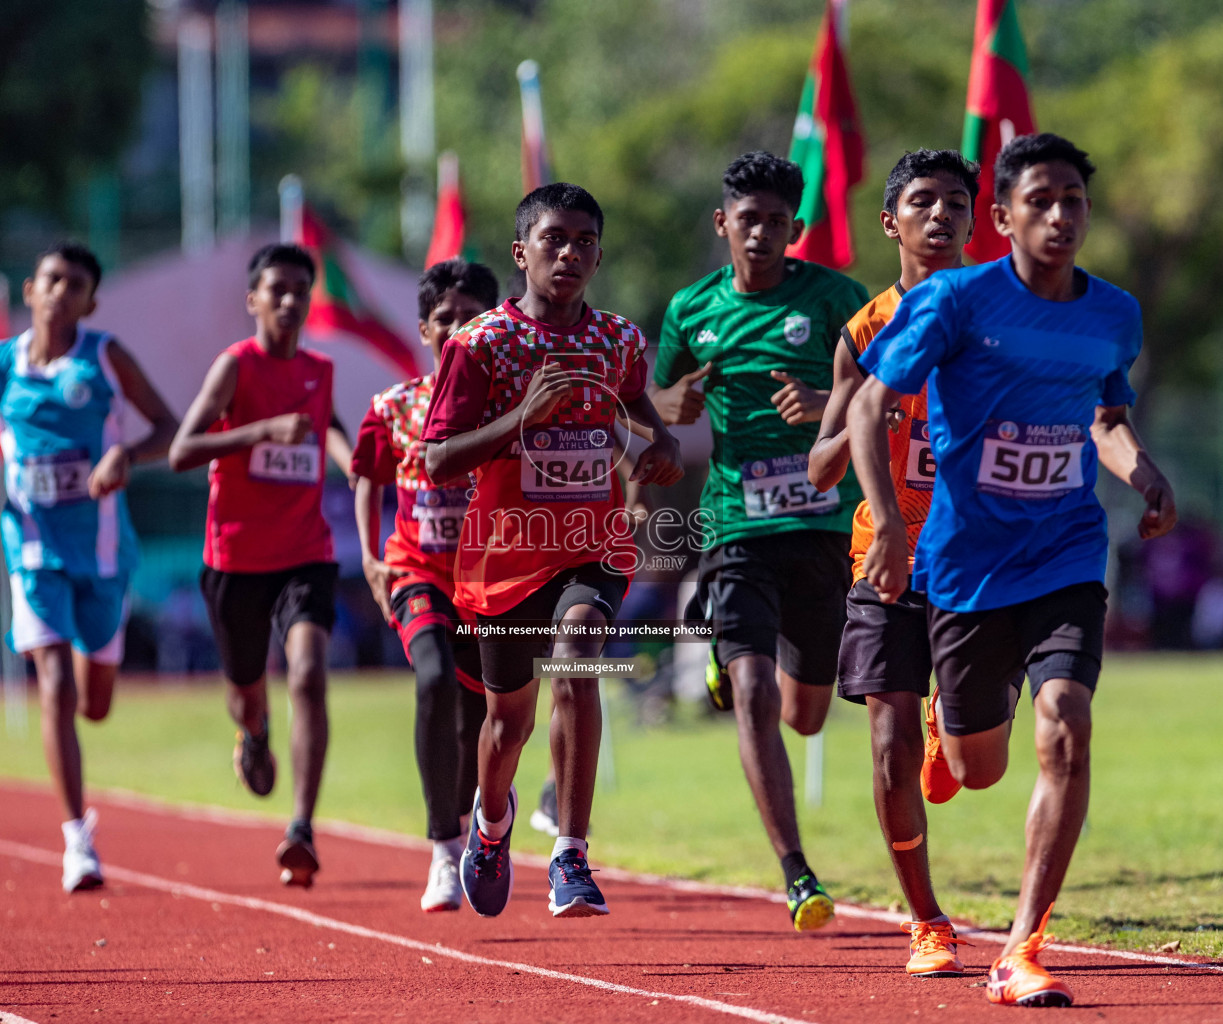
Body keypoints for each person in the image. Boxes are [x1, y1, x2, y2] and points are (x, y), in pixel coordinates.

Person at [846, 133, 1177, 1008]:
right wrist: (885, 523)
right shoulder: (956, 300)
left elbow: (1106, 413)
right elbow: (872, 403)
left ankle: (1021, 944)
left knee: (1065, 724)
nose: (1061, 215)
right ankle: (949, 742)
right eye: (1041, 201)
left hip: (1067, 549)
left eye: (1074, 199)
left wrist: (1142, 469)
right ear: (1002, 217)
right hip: (964, 566)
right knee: (980, 765)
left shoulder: (1113, 313)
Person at [422, 182, 683, 918]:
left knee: (577, 658)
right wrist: (520, 417)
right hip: (506, 554)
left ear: (599, 255)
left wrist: (655, 444)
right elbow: (439, 460)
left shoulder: (619, 340)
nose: (569, 253)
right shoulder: (480, 346)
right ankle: (492, 823)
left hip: (588, 544)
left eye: (584, 241)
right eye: (553, 240)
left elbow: (634, 407)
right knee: (509, 723)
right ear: (521, 252)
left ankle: (571, 854)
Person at [651, 151, 868, 931]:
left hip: (820, 523)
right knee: (753, 691)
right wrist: (670, 407)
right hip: (735, 526)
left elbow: (888, 386)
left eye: (778, 221)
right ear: (724, 224)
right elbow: (656, 396)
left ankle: (733, 658)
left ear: (796, 227)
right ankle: (798, 873)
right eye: (750, 220)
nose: (763, 233)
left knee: (806, 715)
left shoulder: (838, 297)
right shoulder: (691, 309)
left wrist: (828, 401)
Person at [809, 149, 978, 975]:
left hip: (980, 559)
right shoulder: (865, 332)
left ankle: (958, 718)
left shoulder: (997, 314)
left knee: (978, 766)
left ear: (975, 221)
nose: (941, 215)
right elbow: (820, 468)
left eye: (956, 202)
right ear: (892, 222)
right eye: (923, 202)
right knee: (886, 745)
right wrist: (867, 409)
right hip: (883, 556)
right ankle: (927, 921)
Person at [0, 242, 178, 893]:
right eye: (52, 279)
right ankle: (77, 841)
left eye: (75, 283)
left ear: (91, 300)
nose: (61, 291)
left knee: (95, 702)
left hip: (104, 555)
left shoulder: (105, 358)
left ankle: (91, 692)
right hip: (31, 550)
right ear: (31, 289)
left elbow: (169, 427)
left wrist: (126, 458)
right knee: (53, 682)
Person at [169, 243, 342, 889]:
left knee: (308, 673)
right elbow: (183, 449)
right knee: (246, 689)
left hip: (305, 551)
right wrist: (259, 432)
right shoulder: (234, 368)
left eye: (301, 288)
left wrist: (363, 466)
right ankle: (255, 730)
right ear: (254, 299)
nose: (290, 299)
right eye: (277, 289)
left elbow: (331, 430)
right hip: (235, 558)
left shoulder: (321, 371)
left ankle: (301, 826)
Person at [352, 258, 498, 912]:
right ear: (423, 330)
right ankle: (443, 848)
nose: (458, 327)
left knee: (477, 719)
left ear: (493, 326)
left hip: (491, 581)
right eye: (446, 318)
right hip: (416, 569)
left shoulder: (508, 407)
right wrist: (369, 557)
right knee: (433, 678)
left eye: (472, 318)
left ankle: (475, 823)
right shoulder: (395, 405)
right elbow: (367, 476)